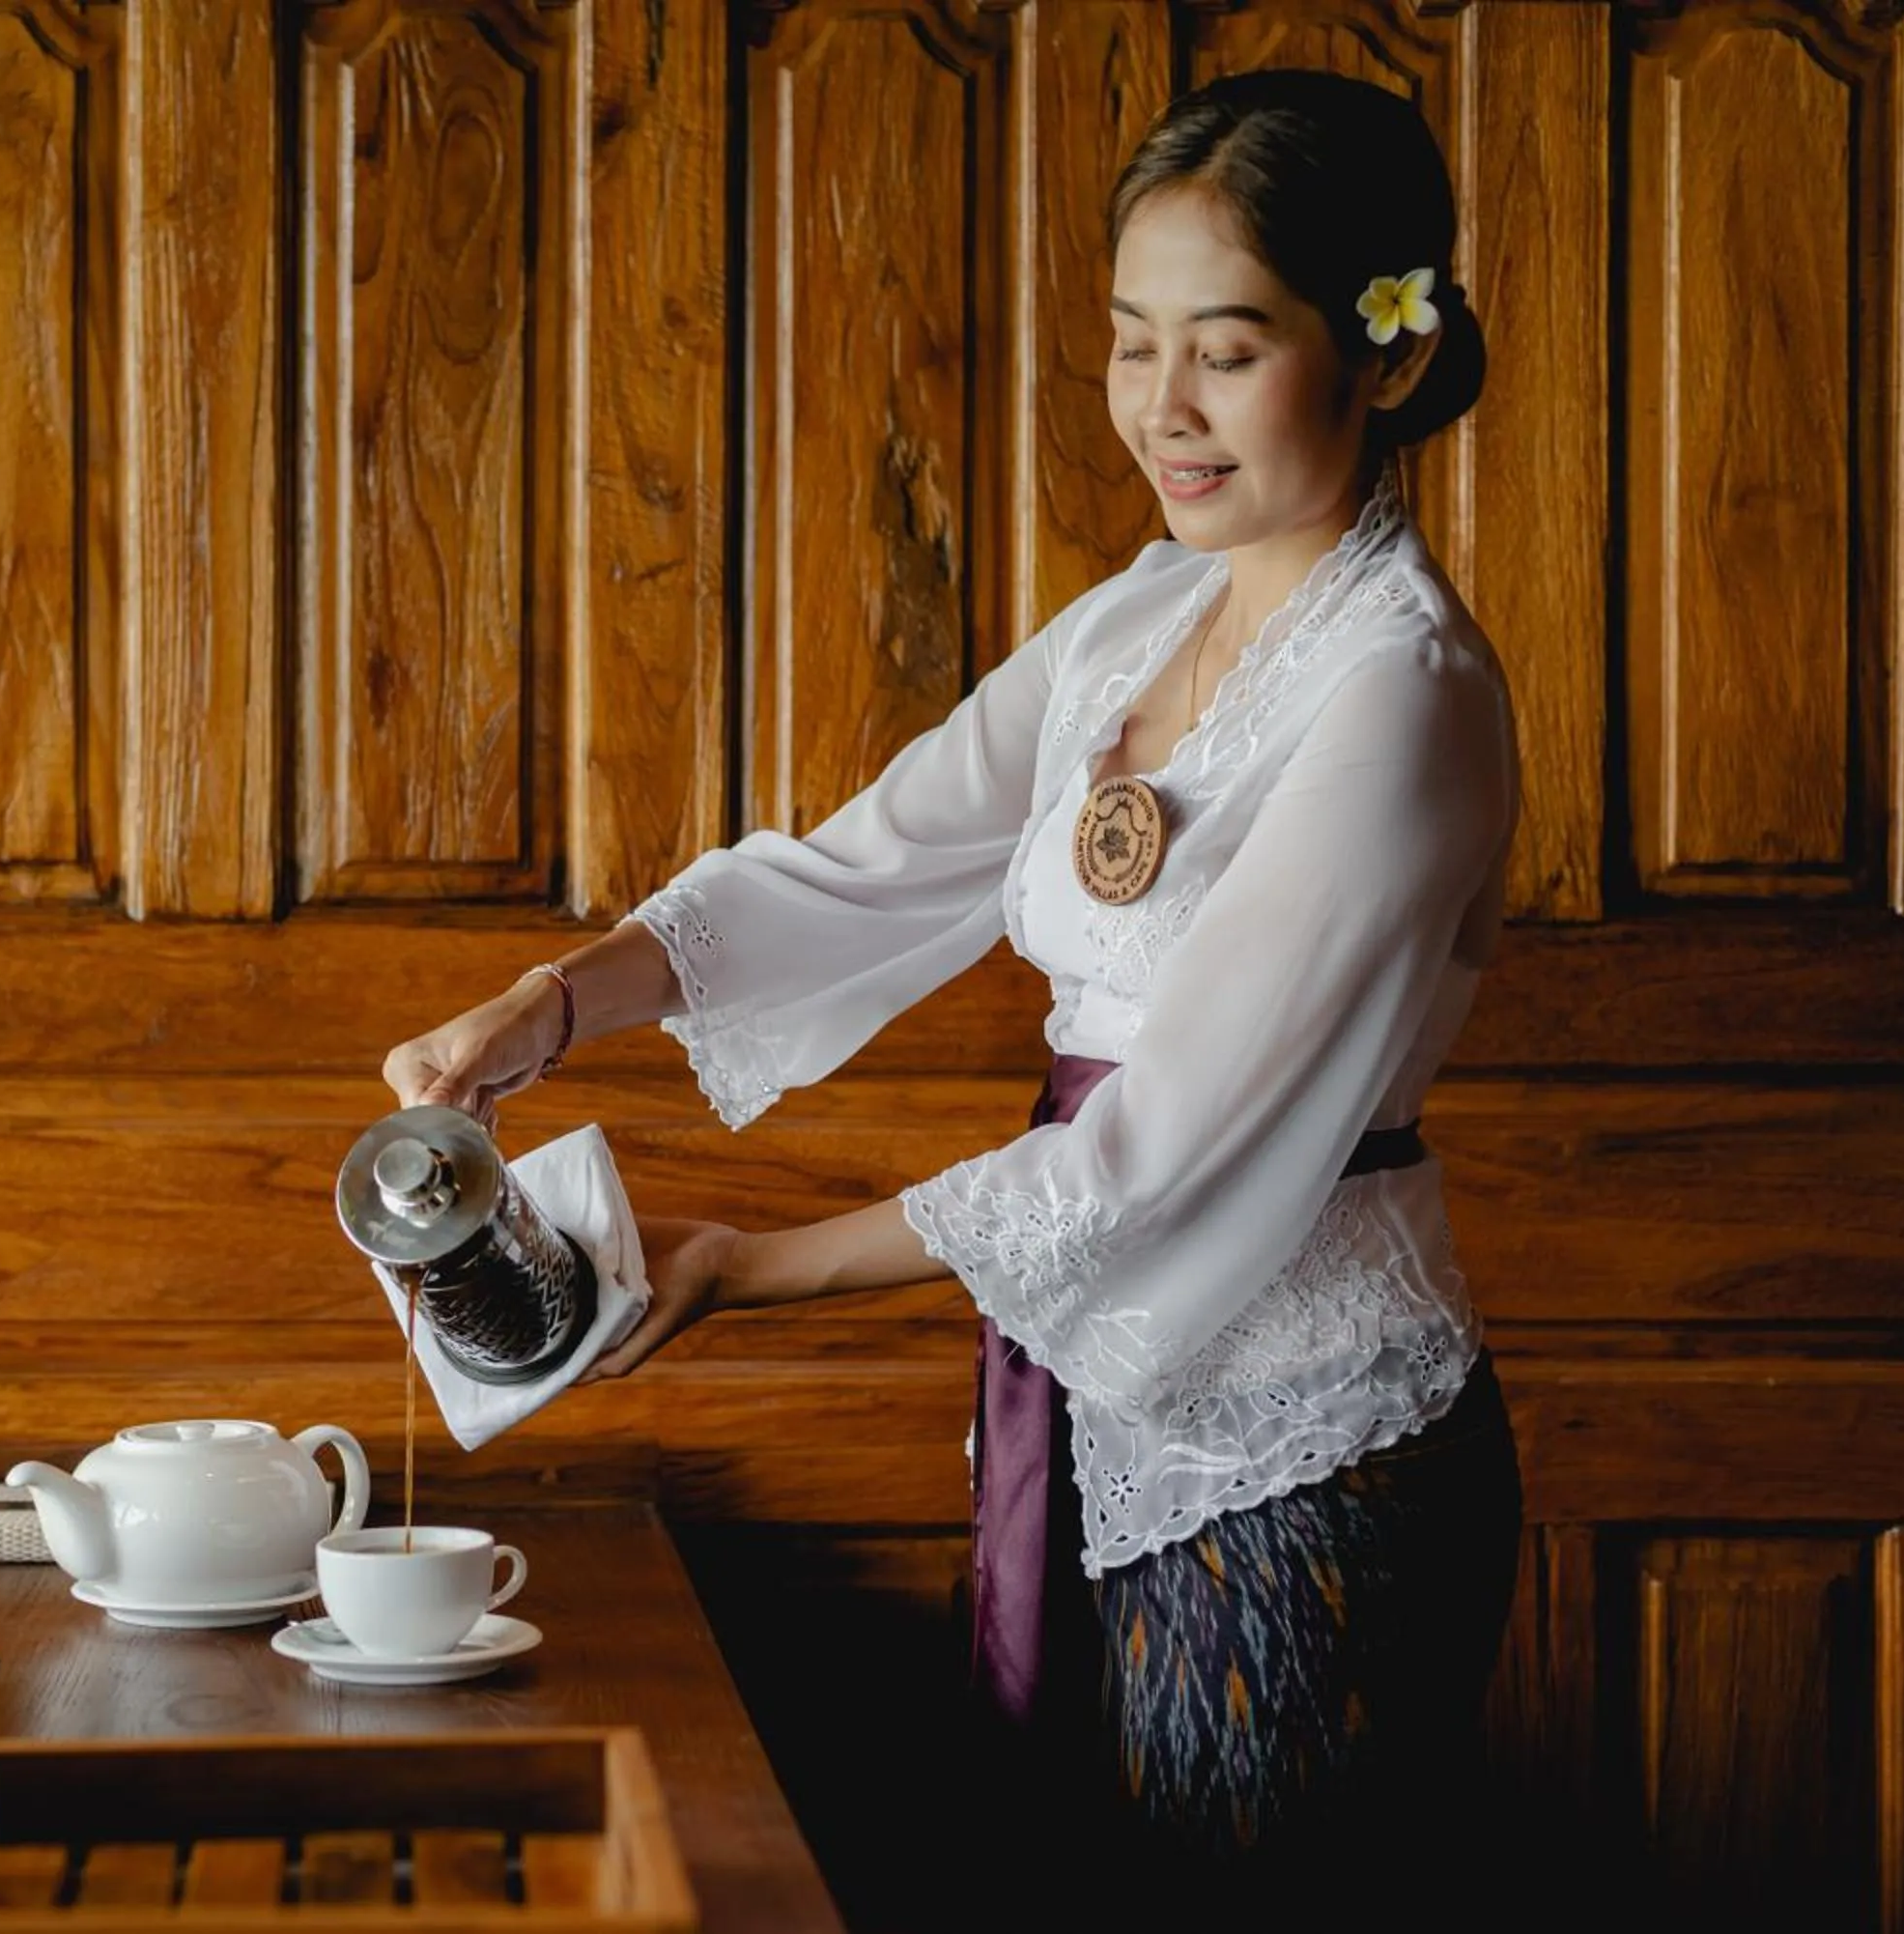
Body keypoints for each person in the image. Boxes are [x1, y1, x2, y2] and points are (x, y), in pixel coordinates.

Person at [380, 70, 1524, 1902]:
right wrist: (554, 997)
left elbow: (1147, 1156)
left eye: (1226, 349)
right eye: (1131, 342)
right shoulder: (1147, 614)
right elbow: (862, 870)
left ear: (1382, 351)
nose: (1163, 407)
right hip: (1091, 1383)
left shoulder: (1403, 696)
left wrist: (754, 1265)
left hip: (1303, 1448)